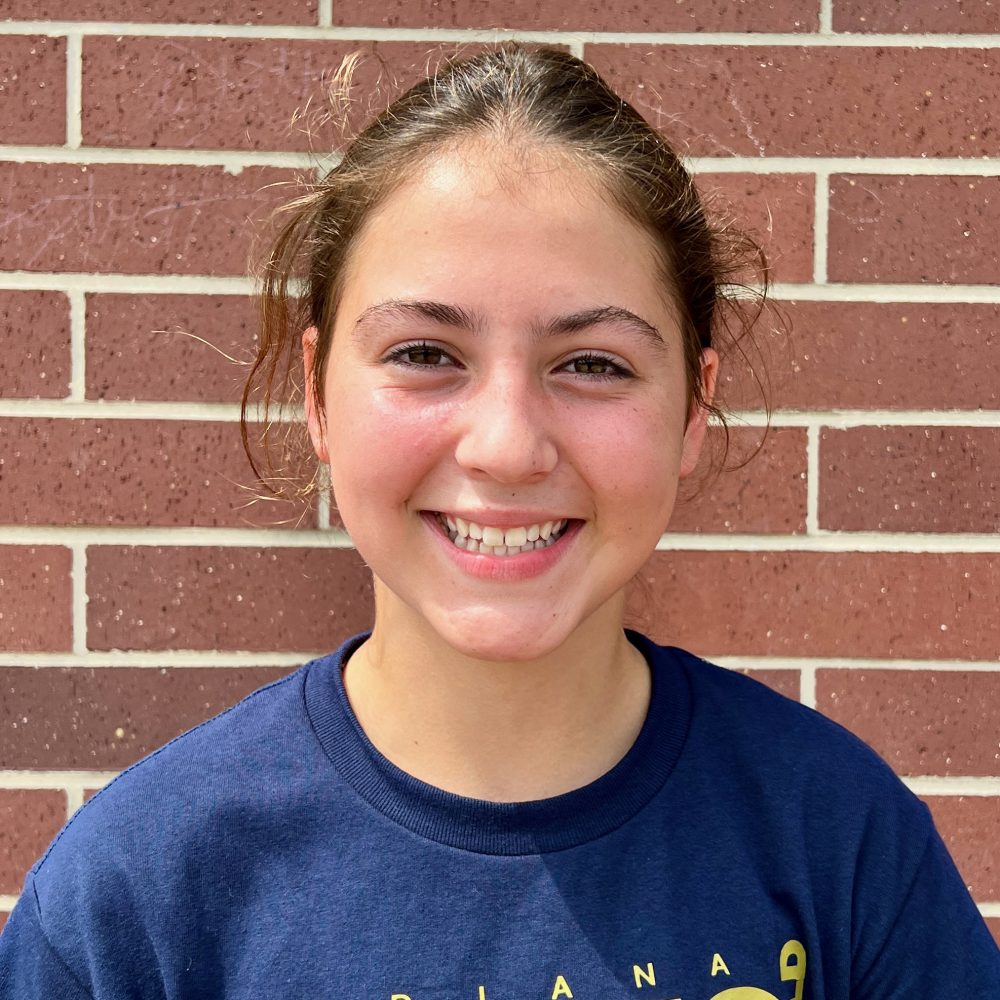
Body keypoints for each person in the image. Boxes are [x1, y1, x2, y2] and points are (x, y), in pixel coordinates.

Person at [1, 44, 997, 1000]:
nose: (507, 447)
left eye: (593, 364)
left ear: (693, 409)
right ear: (315, 393)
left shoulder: (840, 842)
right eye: (425, 354)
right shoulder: (135, 901)